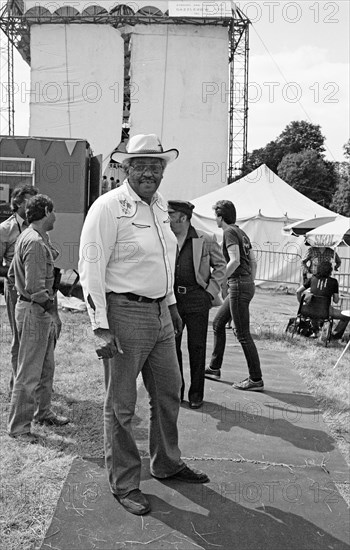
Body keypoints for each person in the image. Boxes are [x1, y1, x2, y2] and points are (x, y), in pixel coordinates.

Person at [78, 133, 209, 517]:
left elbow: (164, 263)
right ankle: (124, 482)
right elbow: (90, 267)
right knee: (121, 404)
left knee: (169, 391)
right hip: (124, 312)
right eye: (142, 165)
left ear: (163, 170)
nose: (150, 172)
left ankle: (166, 463)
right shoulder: (109, 207)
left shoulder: (160, 207)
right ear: (126, 167)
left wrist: (169, 306)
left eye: (157, 165)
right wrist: (99, 325)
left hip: (159, 314)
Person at [7, 194, 69, 444]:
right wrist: (52, 312)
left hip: (34, 309)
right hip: (36, 310)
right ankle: (19, 427)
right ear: (45, 211)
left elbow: (12, 274)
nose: (55, 217)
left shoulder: (35, 237)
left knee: (45, 367)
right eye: (53, 212)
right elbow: (35, 287)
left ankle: (42, 412)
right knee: (29, 372)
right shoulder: (33, 241)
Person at [168, 200, 225, 409]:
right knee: (172, 347)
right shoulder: (166, 238)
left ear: (183, 217)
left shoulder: (205, 238)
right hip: (172, 300)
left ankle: (196, 394)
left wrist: (209, 293)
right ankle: (177, 391)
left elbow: (221, 266)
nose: (167, 217)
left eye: (170, 214)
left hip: (197, 299)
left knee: (197, 347)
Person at [205, 200, 264, 391]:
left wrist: (222, 280)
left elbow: (235, 260)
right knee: (218, 323)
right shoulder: (242, 232)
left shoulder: (229, 232)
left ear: (221, 217)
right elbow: (252, 262)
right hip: (245, 283)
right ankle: (214, 368)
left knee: (242, 334)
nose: (215, 218)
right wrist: (250, 282)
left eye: (215, 215)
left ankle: (256, 379)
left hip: (239, 284)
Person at [0, 184, 38, 391]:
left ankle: (34, 382)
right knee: (20, 337)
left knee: (38, 336)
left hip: (37, 290)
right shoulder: (5, 229)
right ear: (18, 203)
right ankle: (17, 385)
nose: (36, 205)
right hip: (16, 289)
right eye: (31, 201)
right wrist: (20, 275)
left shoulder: (37, 225)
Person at [296, 260, 350, 339]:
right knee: (346, 316)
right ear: (330, 270)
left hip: (309, 310)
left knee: (314, 314)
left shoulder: (312, 278)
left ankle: (316, 332)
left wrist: (302, 304)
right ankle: (334, 336)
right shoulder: (334, 282)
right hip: (325, 311)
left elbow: (298, 291)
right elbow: (336, 300)